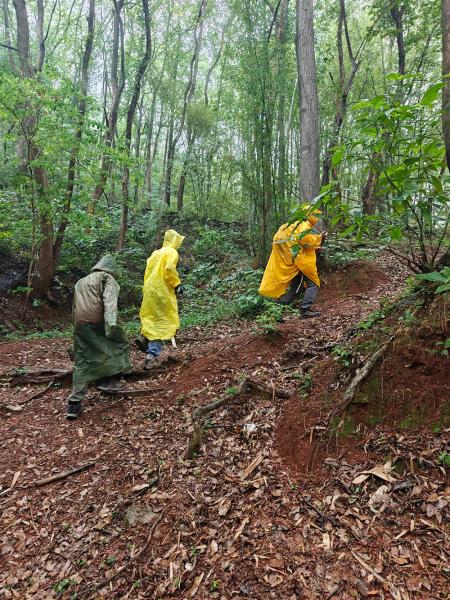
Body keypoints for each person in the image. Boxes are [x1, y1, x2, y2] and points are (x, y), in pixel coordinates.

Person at [66, 255, 132, 420]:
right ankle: (109, 380)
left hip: (80, 323)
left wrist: (76, 326)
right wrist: (111, 324)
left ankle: (74, 404)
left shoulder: (81, 281)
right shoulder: (107, 278)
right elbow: (110, 301)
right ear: (112, 269)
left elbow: (74, 306)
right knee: (120, 344)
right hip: (98, 320)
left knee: (83, 359)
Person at [259, 207, 326, 318]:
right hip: (300, 261)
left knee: (296, 287)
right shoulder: (304, 224)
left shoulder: (290, 225)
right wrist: (320, 238)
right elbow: (306, 241)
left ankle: (277, 310)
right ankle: (305, 310)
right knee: (313, 284)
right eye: (315, 215)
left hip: (292, 261)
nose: (316, 219)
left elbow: (290, 241)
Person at [137, 229, 185, 369]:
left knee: (151, 318)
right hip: (161, 292)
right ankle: (151, 357)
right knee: (162, 323)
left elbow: (148, 272)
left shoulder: (155, 253)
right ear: (175, 240)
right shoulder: (172, 252)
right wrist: (177, 284)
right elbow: (169, 269)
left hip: (149, 291)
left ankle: (145, 338)